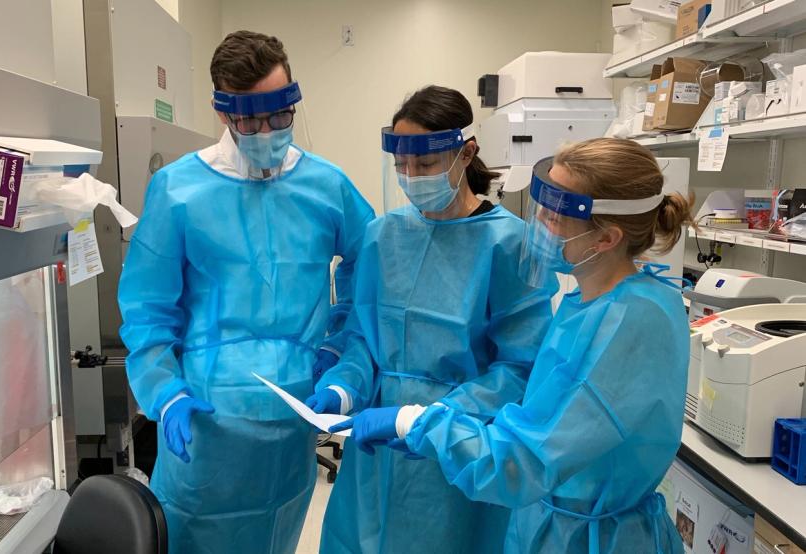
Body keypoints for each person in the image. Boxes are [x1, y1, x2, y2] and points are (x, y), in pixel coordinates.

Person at [333, 138, 694, 554]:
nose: (538, 222)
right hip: (554, 526)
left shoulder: (633, 321)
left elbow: (525, 460)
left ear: (607, 238)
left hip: (595, 539)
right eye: (541, 203)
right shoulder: (588, 301)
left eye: (555, 216)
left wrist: (417, 424)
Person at [118, 31, 374, 554]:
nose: (268, 131)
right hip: (207, 425)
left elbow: (372, 268)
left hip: (292, 425)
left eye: (281, 115)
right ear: (224, 114)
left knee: (276, 536)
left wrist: (340, 349)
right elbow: (147, 309)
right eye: (251, 121)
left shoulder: (326, 186)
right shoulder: (178, 190)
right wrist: (165, 393)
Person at [306, 85, 557, 553]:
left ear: (466, 154)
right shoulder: (384, 236)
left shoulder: (509, 244)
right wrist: (345, 385)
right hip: (377, 446)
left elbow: (520, 367)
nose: (410, 176)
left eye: (424, 165)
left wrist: (430, 419)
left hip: (458, 444)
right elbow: (364, 337)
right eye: (401, 165)